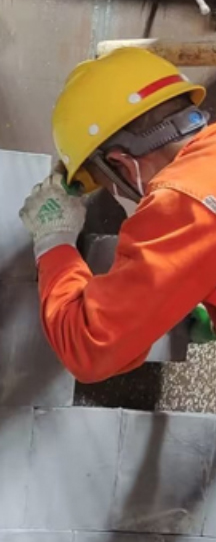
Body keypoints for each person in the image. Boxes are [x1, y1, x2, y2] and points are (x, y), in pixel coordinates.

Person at [19, 46, 216, 381]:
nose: (118, 196)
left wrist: (53, 241)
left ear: (122, 164)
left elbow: (90, 348)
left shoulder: (183, 201)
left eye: (108, 186)